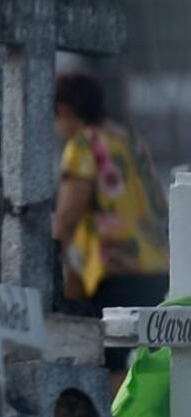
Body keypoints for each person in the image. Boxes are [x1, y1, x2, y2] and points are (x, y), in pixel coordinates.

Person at [53, 71, 169, 393]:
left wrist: (49, 268)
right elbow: (161, 203)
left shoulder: (83, 144)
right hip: (156, 266)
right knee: (147, 360)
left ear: (63, 111)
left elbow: (67, 216)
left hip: (112, 270)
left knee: (111, 364)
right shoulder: (129, 139)